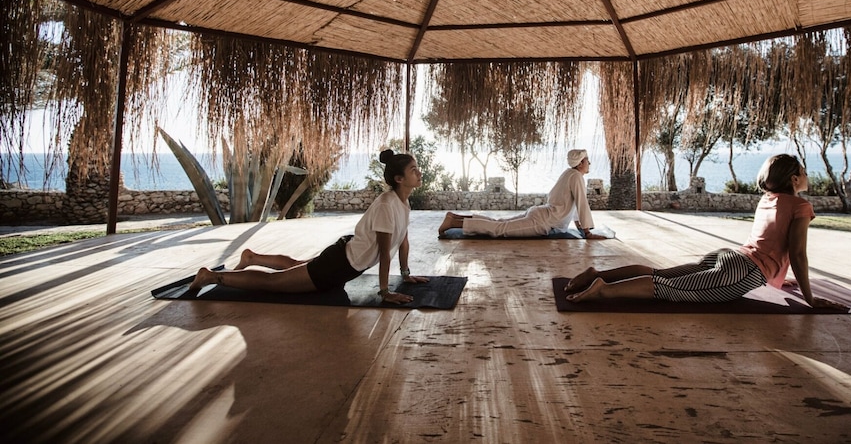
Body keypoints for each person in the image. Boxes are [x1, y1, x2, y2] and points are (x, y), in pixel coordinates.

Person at [564, 153, 847, 310]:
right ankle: (604, 290)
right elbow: (797, 254)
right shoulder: (801, 206)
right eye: (804, 172)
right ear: (794, 179)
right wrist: (810, 299)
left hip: (728, 257)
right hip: (742, 271)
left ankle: (599, 274)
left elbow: (768, 243)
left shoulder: (767, 199)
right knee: (669, 289)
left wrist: (779, 277)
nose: (807, 176)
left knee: (660, 274)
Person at [189, 149, 428, 304]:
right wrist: (385, 292)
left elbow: (403, 241)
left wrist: (406, 275)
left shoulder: (403, 202)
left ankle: (252, 257)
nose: (419, 173)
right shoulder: (387, 205)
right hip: (337, 266)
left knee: (297, 265)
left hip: (342, 259)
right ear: (399, 179)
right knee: (272, 283)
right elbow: (385, 253)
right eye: (413, 170)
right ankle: (211, 276)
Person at [437, 149, 604, 238]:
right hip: (542, 221)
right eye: (587, 160)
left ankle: (455, 217)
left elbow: (575, 206)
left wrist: (581, 228)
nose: (589, 163)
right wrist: (587, 232)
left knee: (499, 222)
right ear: (580, 163)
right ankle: (453, 223)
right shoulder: (576, 177)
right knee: (499, 229)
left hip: (540, 213)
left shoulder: (569, 174)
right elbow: (582, 204)